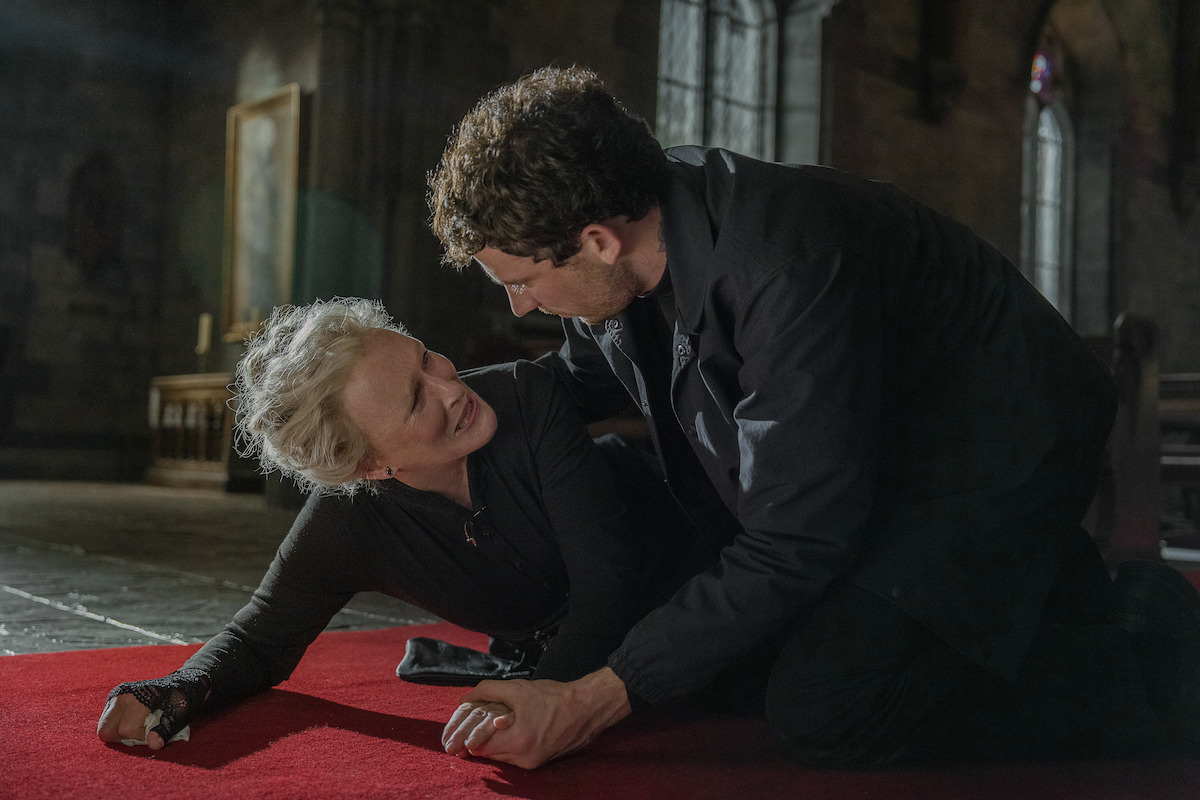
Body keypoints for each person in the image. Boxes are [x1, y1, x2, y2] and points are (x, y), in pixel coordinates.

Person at [428, 66, 1200, 769]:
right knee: (754, 648)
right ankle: (1064, 606)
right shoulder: (629, 237)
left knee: (829, 702)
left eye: (520, 281)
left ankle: (1156, 657)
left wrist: (586, 702)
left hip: (1000, 443)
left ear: (597, 242)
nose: (518, 305)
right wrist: (422, 408)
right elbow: (575, 383)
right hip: (877, 442)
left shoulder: (781, 263)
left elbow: (796, 538)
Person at [97, 297, 719, 751]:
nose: (449, 388)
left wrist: (543, 700)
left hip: (703, 575)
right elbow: (262, 640)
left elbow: (606, 589)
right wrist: (175, 692)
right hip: (593, 650)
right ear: (368, 465)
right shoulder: (348, 522)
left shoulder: (526, 396)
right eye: (417, 400)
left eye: (426, 360)